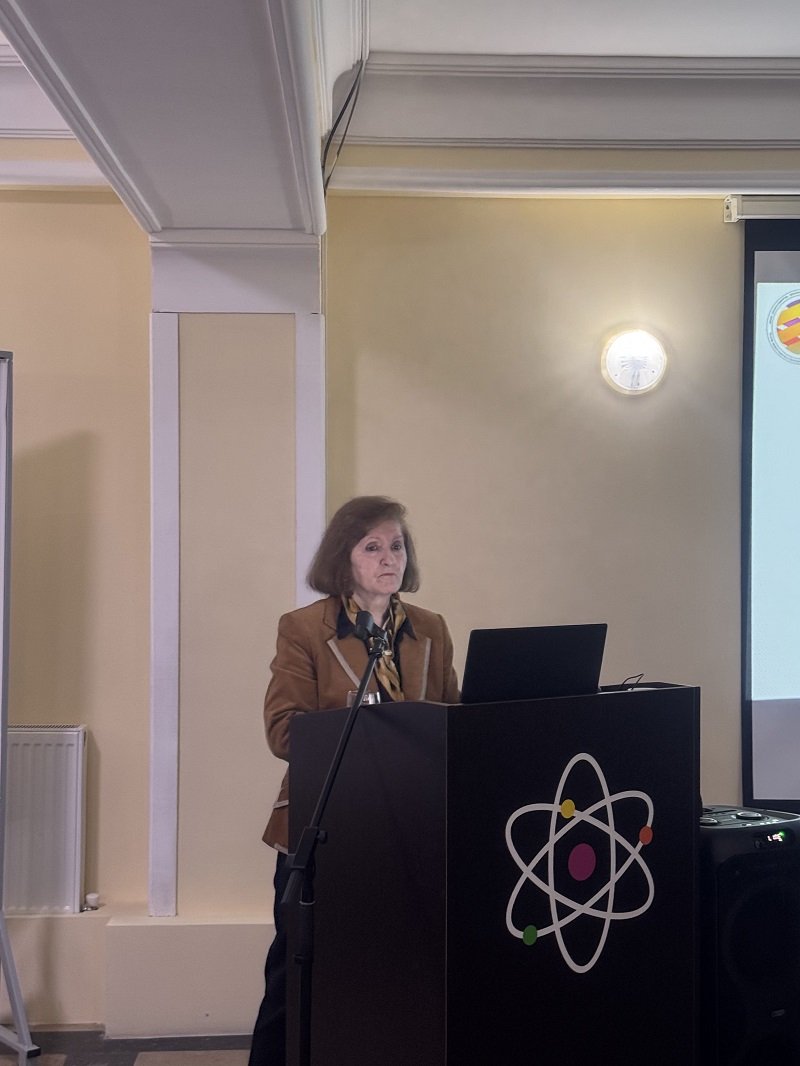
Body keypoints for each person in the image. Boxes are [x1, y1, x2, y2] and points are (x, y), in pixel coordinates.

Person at [248, 495, 459, 1066]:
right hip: (324, 824)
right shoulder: (303, 629)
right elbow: (283, 731)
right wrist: (369, 733)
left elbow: (454, 720)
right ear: (344, 558)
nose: (390, 558)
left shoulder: (431, 629)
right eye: (373, 547)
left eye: (397, 546)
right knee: (295, 971)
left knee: (395, 973)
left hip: (411, 828)